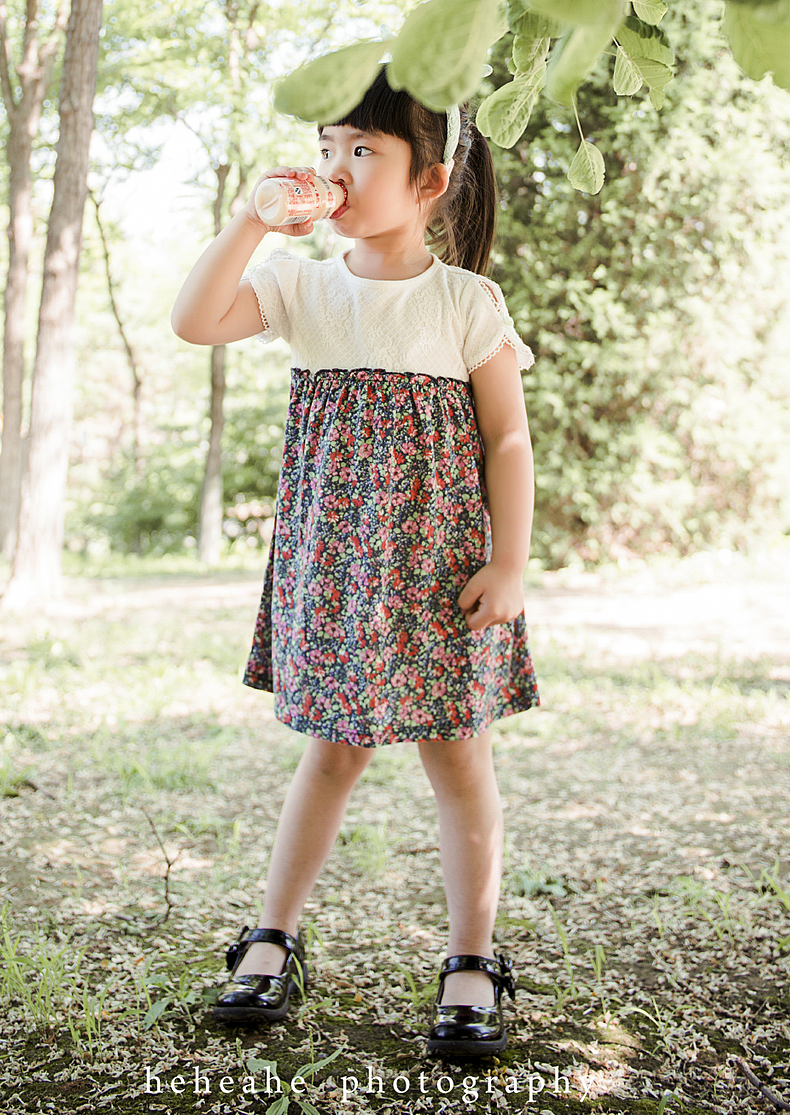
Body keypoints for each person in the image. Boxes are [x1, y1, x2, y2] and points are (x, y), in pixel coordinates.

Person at [170, 67, 539, 1062]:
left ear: (429, 181)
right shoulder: (301, 283)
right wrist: (251, 222)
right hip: (336, 573)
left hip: (438, 573)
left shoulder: (466, 301)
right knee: (330, 749)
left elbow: (506, 439)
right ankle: (272, 937)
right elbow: (194, 319)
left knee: (458, 753)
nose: (334, 168)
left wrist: (510, 562)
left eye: (362, 151)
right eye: (327, 145)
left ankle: (470, 959)